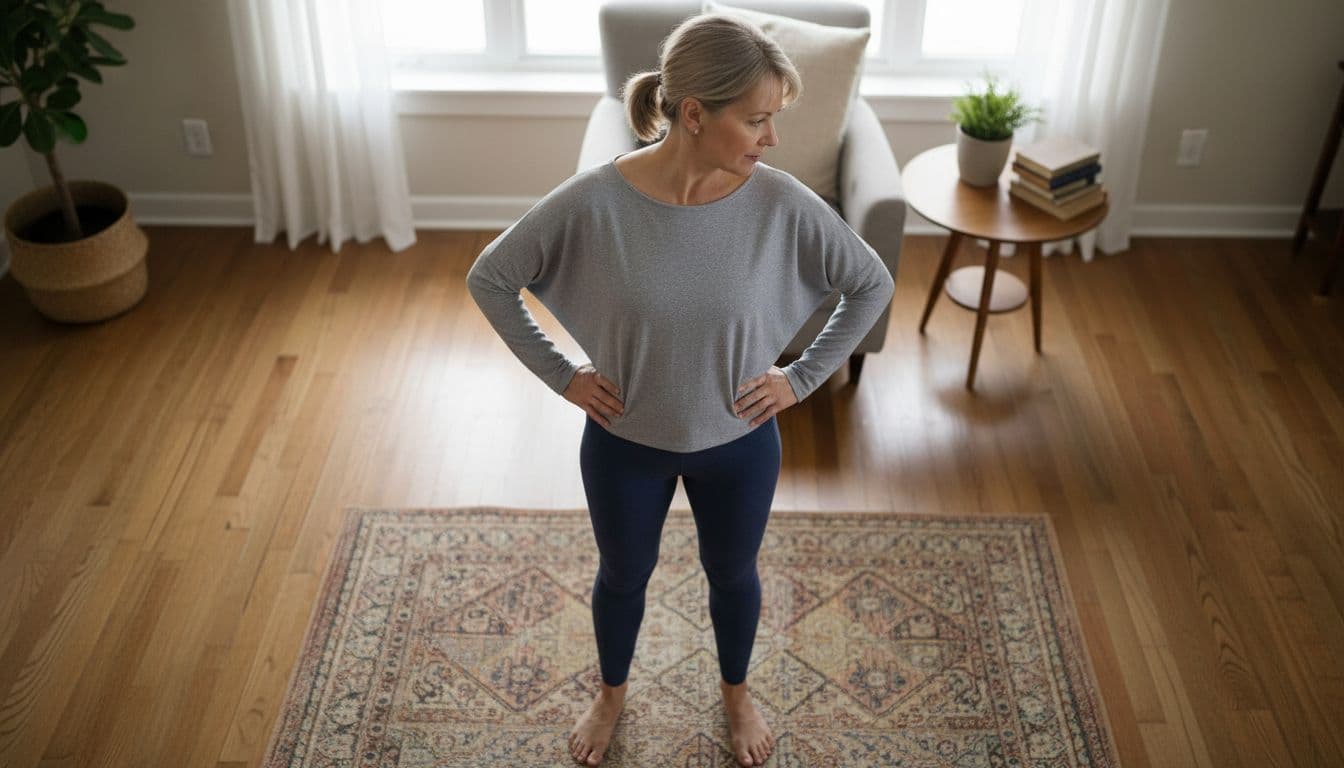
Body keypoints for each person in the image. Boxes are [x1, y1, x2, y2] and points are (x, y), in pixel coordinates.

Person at [466, 12, 895, 766]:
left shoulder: (780, 202)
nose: (772, 138)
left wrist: (800, 379)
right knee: (623, 576)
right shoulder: (596, 201)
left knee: (732, 574)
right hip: (625, 446)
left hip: (739, 445)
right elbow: (491, 277)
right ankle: (611, 695)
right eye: (756, 119)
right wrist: (564, 375)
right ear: (693, 114)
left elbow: (870, 284)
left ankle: (737, 694)